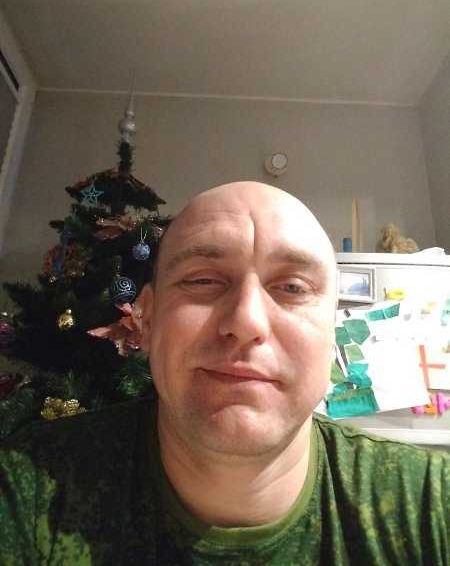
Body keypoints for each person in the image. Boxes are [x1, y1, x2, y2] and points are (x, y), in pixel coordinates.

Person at [0, 181, 449, 565]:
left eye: (293, 287)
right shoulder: (29, 488)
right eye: (202, 280)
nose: (246, 320)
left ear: (332, 329)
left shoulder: (432, 502)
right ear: (147, 319)